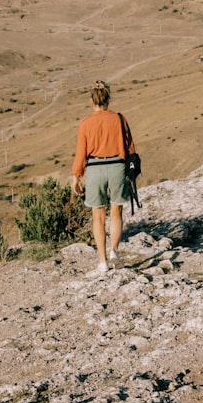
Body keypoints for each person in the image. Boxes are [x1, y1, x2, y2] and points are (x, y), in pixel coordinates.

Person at [71, 80, 136, 273]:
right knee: (116, 212)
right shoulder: (120, 118)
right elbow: (130, 147)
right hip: (117, 167)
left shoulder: (85, 123)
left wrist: (76, 175)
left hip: (95, 169)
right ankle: (114, 251)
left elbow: (81, 152)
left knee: (98, 216)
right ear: (108, 99)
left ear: (92, 100)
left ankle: (102, 261)